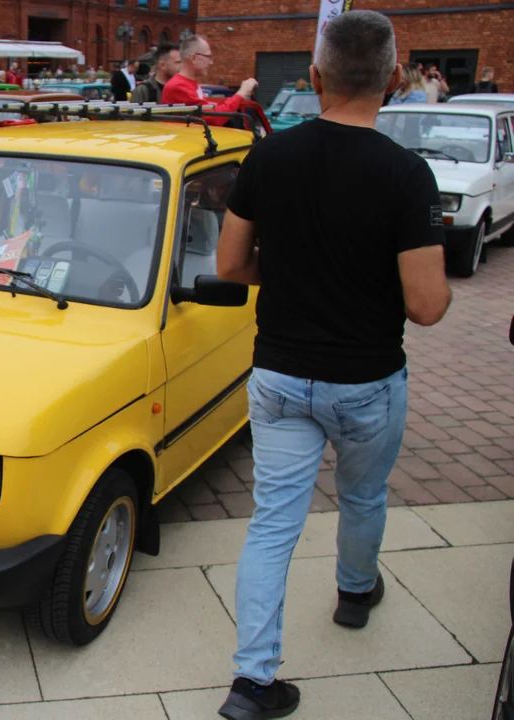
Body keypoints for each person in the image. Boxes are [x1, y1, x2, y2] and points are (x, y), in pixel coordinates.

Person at [214, 10, 451, 719]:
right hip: (366, 380)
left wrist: (287, 272)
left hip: (281, 375)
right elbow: (428, 306)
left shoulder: (269, 156)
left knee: (271, 524)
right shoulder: (408, 175)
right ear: (393, 81)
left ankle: (252, 682)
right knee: (363, 497)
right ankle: (354, 592)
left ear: (314, 77)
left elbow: (230, 264)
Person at [161, 35, 258, 125]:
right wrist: (241, 93)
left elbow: (210, 111)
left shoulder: (187, 83)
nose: (211, 62)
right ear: (193, 58)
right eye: (208, 57)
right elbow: (215, 118)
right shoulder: (178, 86)